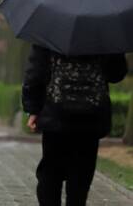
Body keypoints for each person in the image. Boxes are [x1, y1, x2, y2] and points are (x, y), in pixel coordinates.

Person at [22, 44, 127, 206]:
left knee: (50, 173)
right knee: (81, 175)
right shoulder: (105, 33)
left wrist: (33, 108)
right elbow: (116, 74)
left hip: (56, 114)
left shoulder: (50, 31)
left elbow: (36, 72)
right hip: (91, 116)